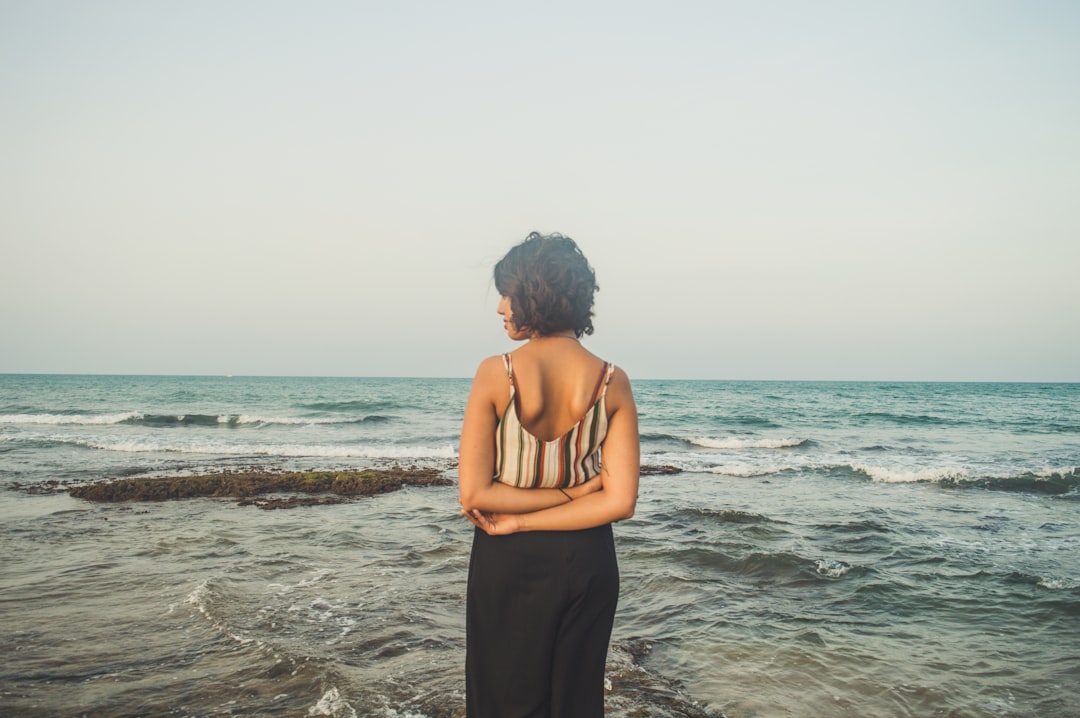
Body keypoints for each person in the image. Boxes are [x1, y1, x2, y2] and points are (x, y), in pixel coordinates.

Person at [458, 232, 640, 718]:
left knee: (502, 701)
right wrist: (573, 492)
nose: (500, 306)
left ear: (533, 296)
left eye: (508, 292)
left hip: (507, 560)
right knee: (577, 703)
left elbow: (475, 493)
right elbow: (619, 501)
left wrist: (519, 521)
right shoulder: (612, 381)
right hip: (588, 559)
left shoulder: (497, 374)